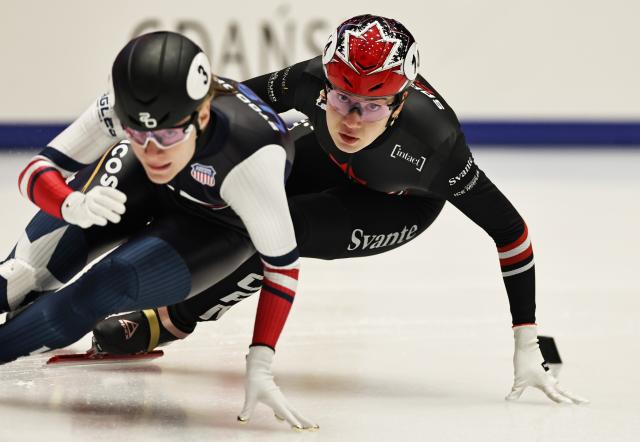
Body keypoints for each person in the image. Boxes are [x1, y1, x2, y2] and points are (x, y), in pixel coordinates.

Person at [91, 15, 588, 405]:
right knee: (248, 180)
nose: (351, 118)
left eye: (371, 106)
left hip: (394, 206)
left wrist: (526, 339)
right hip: (326, 157)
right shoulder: (309, 82)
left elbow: (510, 231)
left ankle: (173, 320)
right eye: (342, 97)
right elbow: (230, 105)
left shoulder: (436, 145)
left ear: (400, 103)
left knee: (284, 230)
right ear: (326, 83)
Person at [0, 31, 318, 430]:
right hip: (148, 186)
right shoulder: (124, 108)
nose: (153, 151)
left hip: (216, 224)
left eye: (168, 135)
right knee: (20, 272)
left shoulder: (254, 158)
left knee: (101, 289)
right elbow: (38, 170)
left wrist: (261, 363)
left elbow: (283, 268)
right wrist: (70, 203)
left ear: (202, 116)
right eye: (137, 133)